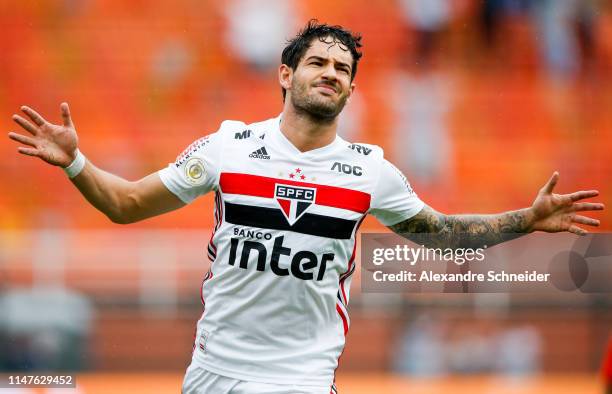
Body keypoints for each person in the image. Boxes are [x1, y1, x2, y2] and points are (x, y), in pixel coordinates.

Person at [7, 20, 604, 394]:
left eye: (343, 69)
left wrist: (525, 220)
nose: (332, 73)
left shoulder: (371, 170)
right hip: (212, 372)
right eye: (318, 62)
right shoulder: (229, 146)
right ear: (285, 74)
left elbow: (443, 232)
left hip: (301, 378)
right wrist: (77, 164)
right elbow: (127, 203)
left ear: (351, 89)